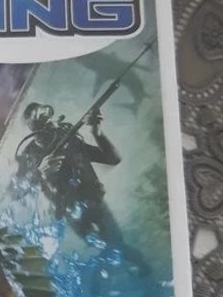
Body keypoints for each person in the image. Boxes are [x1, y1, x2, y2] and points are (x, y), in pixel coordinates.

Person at [16, 102, 150, 276]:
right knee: (101, 247)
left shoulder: (70, 140)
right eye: (40, 121)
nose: (48, 123)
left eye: (48, 117)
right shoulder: (29, 156)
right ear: (33, 130)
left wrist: (96, 132)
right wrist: (41, 173)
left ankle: (141, 268)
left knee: (117, 243)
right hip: (69, 211)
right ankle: (113, 275)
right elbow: (19, 191)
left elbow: (112, 159)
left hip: (94, 201)